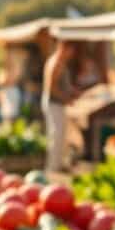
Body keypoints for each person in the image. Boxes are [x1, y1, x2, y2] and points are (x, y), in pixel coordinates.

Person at [42, 40, 81, 173]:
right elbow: (51, 88)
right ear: (63, 48)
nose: (71, 54)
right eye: (70, 50)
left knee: (62, 135)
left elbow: (63, 85)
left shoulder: (61, 63)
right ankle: (52, 167)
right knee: (56, 135)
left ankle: (59, 164)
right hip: (54, 104)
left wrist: (72, 92)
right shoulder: (55, 63)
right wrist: (66, 99)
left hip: (58, 104)